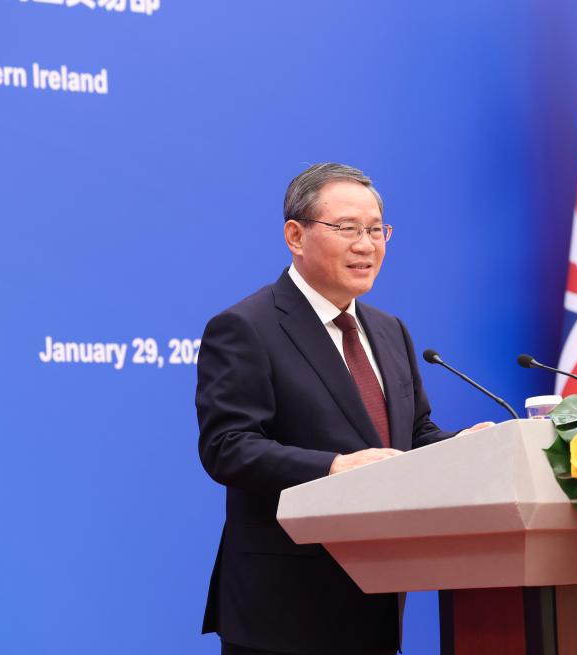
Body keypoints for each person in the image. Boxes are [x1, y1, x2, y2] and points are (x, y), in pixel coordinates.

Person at [196, 162, 492, 655]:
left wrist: (462, 447)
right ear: (296, 236)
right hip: (283, 614)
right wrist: (334, 467)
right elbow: (228, 447)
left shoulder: (390, 330)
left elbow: (413, 435)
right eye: (348, 229)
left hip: (376, 601)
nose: (366, 245)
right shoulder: (247, 327)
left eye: (376, 230)